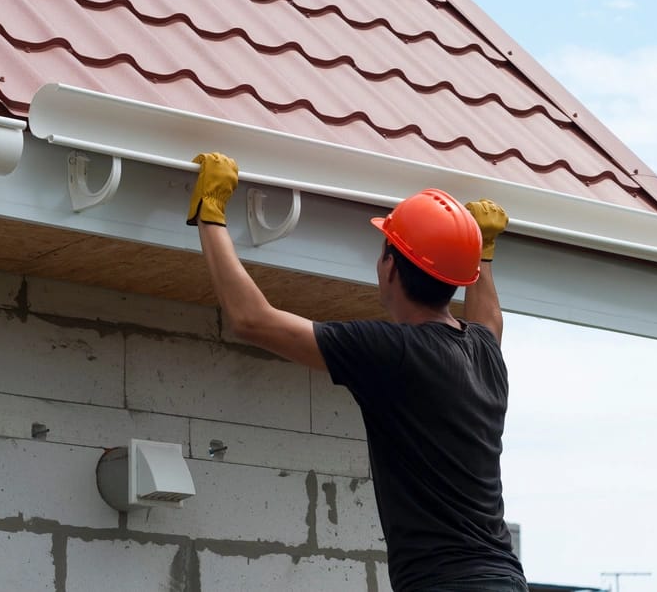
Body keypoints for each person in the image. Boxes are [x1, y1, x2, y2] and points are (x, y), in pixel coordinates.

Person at [188, 152, 527, 592]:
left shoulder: (395, 352)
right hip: (503, 577)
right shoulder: (484, 353)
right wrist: (482, 250)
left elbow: (252, 320)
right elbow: (489, 319)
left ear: (390, 265)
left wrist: (211, 213)